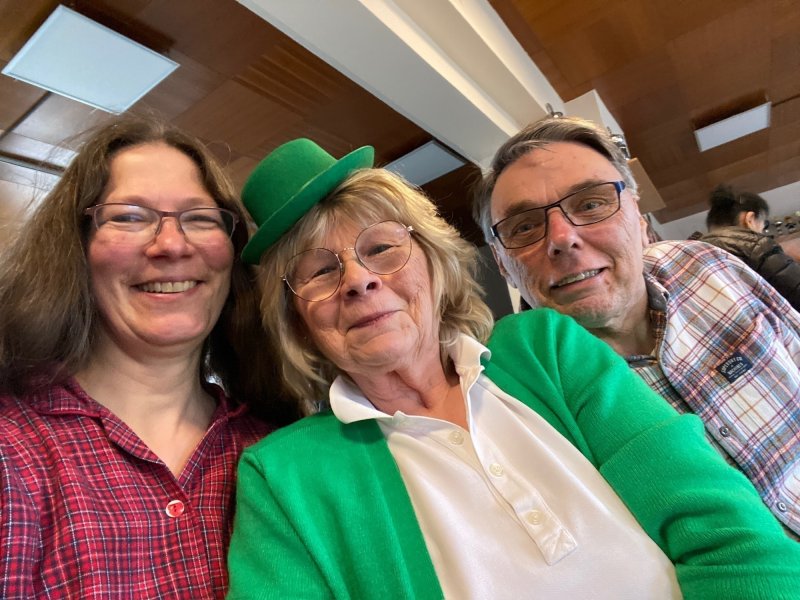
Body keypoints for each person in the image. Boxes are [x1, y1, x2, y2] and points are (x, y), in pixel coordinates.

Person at [226, 138, 800, 600]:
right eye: (319, 272)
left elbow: (732, 537)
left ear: (434, 263)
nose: (359, 280)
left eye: (380, 249)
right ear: (295, 320)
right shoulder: (281, 476)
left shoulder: (546, 348)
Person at [0, 116, 297, 598]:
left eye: (200, 218)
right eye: (129, 217)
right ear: (76, 249)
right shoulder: (12, 449)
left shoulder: (282, 447)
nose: (172, 245)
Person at [473, 115, 800, 537]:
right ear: (503, 265)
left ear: (640, 220)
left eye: (591, 204)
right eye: (524, 227)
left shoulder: (707, 265)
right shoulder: (514, 401)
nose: (562, 238)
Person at [699, 183, 800, 309]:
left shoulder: (694, 257)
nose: (762, 232)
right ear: (750, 219)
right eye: (763, 225)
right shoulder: (755, 248)